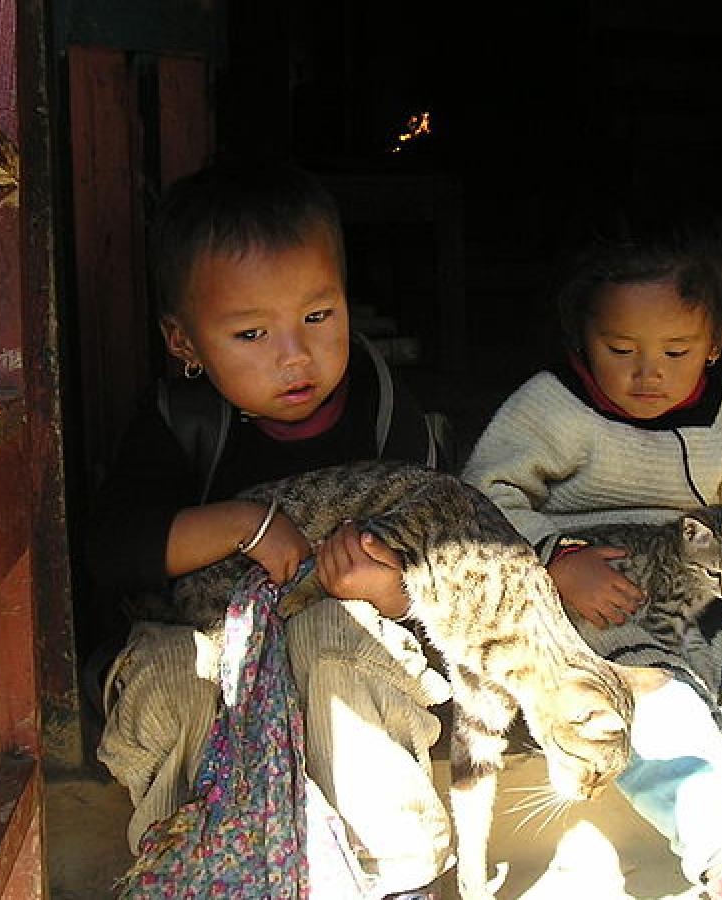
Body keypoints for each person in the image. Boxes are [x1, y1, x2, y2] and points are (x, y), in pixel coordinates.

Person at [459, 195, 722, 900]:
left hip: (711, 588)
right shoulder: (551, 407)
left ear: (716, 340)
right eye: (620, 350)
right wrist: (557, 560)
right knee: (650, 708)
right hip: (604, 593)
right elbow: (482, 501)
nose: (647, 373)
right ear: (582, 337)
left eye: (677, 352)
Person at [85, 158, 451, 898]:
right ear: (184, 343)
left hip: (330, 637)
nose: (295, 355)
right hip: (199, 643)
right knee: (171, 681)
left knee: (343, 648)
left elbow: (448, 561)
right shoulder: (178, 422)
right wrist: (248, 525)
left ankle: (396, 871)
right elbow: (113, 552)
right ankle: (191, 869)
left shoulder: (382, 410)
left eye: (319, 317)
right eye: (252, 333)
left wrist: (387, 589)